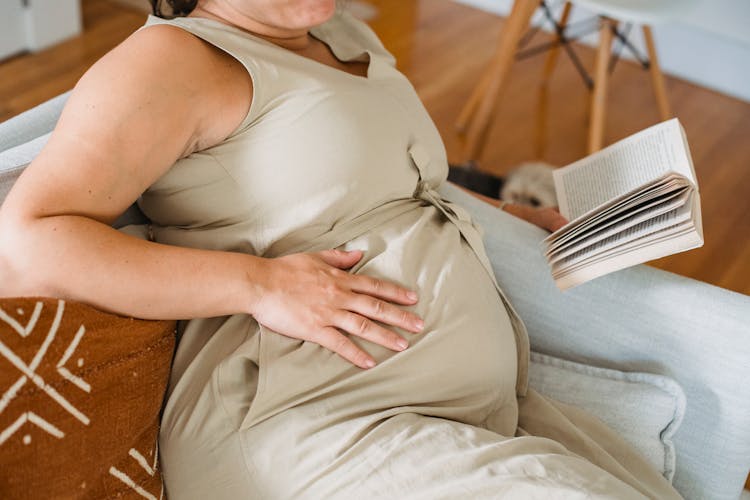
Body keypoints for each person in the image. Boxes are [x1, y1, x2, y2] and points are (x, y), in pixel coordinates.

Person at [0, 0, 681, 498]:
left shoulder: (332, 26)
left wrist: (510, 211)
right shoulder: (172, 63)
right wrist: (258, 284)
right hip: (307, 415)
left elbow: (393, 182)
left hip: (461, 406)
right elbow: (32, 238)